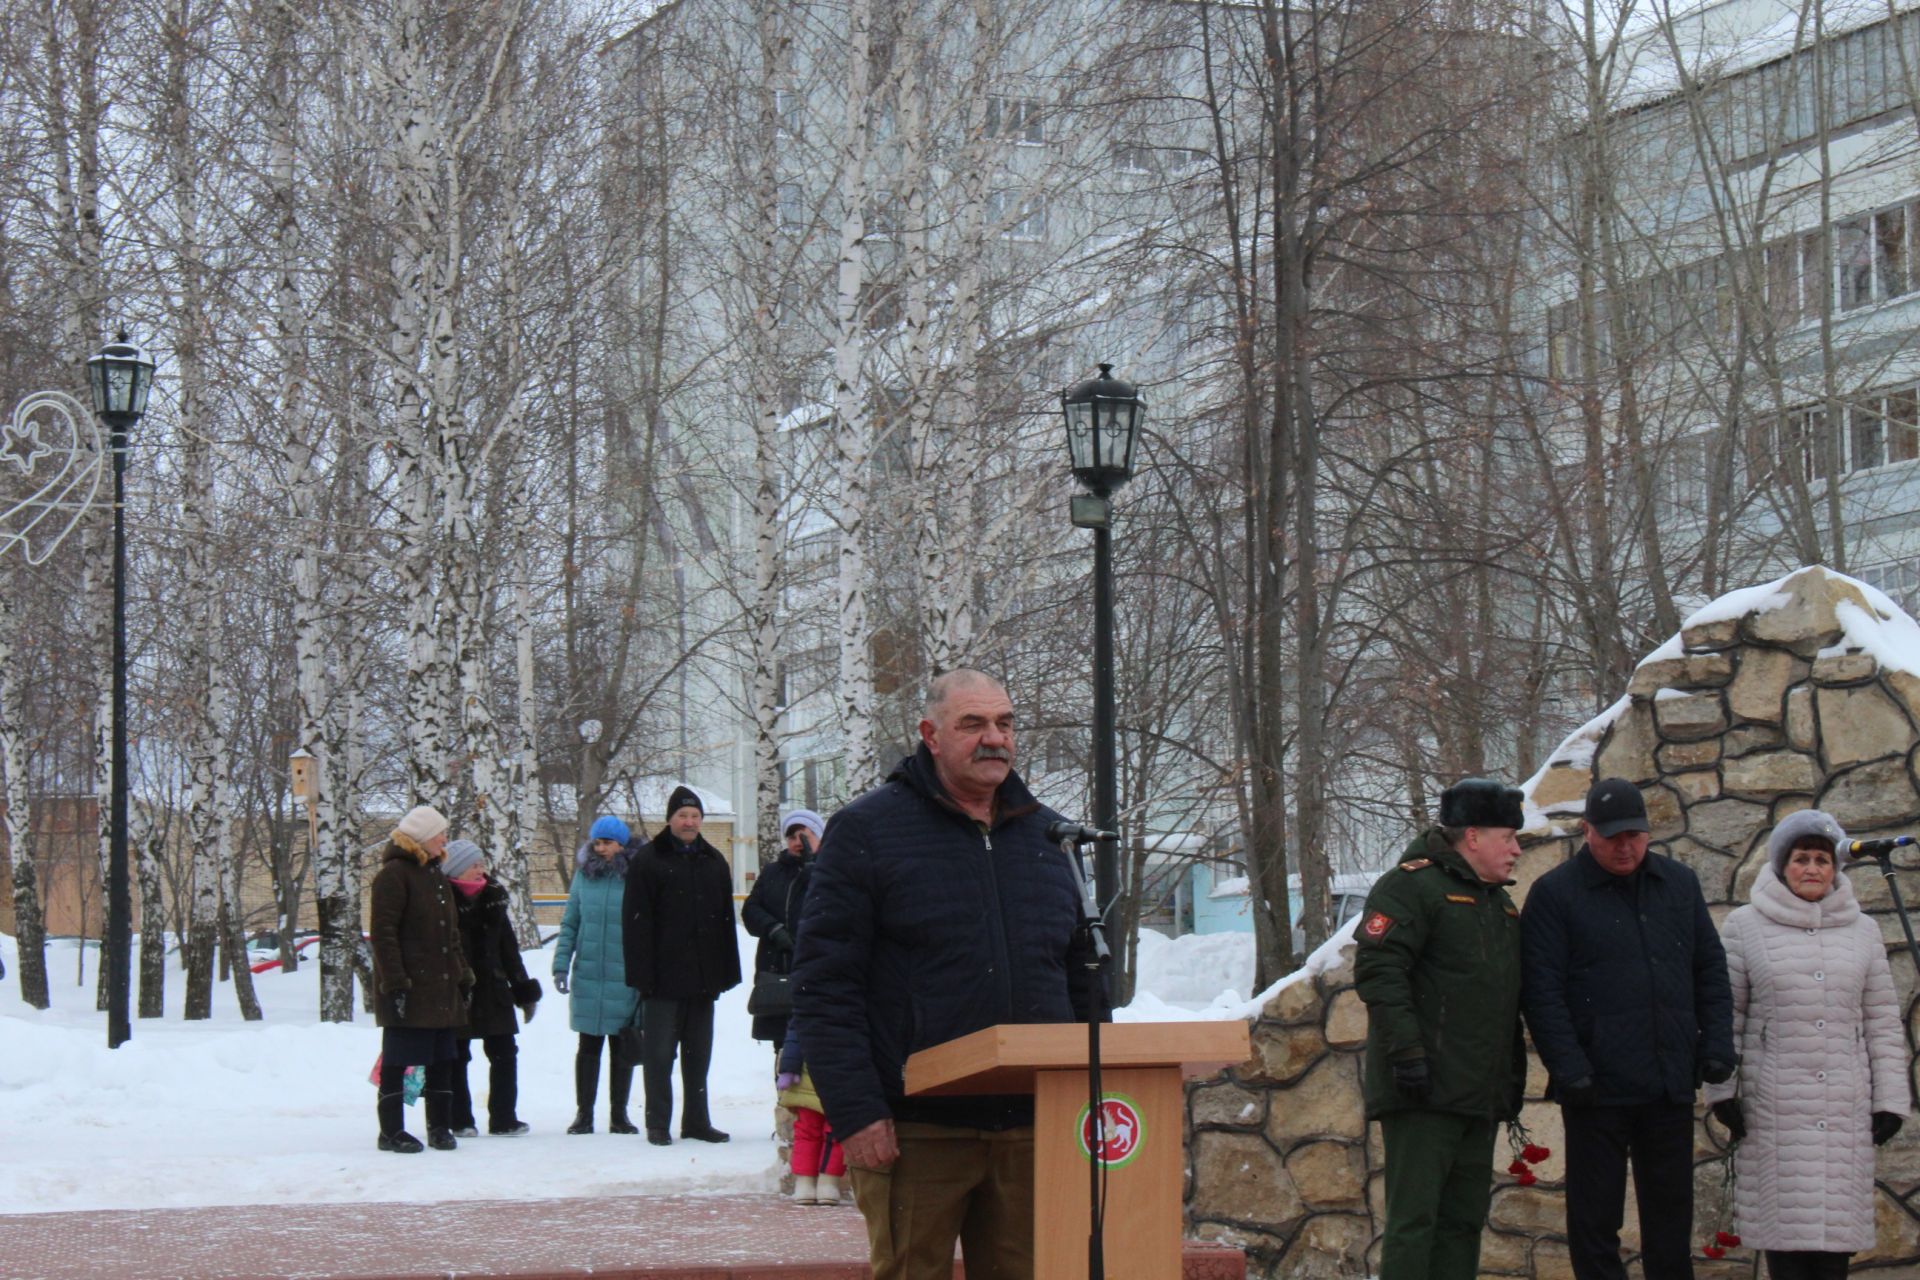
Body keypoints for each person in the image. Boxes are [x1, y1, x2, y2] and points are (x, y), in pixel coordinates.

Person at [791, 668, 1100, 1280]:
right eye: (973, 724)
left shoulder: (1051, 836)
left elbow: (1083, 978)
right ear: (930, 734)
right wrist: (856, 1112)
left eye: (1005, 724)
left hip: (1032, 1128)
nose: (995, 738)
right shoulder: (868, 831)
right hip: (914, 1131)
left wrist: (1090, 1098)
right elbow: (826, 984)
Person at [1521, 777, 1736, 1280]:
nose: (1625, 847)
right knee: (1595, 1225)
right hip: (1595, 1089)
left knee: (1670, 1222)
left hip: (1667, 1082)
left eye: (1635, 835)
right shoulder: (1555, 894)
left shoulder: (1678, 885)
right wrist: (1570, 1067)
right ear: (1586, 830)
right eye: (1613, 836)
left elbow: (1709, 969)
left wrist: (1717, 1043)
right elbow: (1541, 993)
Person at [1704, 810, 1909, 1280]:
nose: (1813, 868)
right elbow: (1726, 1016)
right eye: (1801, 859)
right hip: (1773, 1112)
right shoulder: (1744, 926)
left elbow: (1881, 1022)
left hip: (1843, 1114)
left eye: (1822, 859)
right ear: (1782, 866)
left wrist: (1890, 1102)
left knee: (1833, 1251)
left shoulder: (1864, 931)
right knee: (1787, 1250)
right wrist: (1723, 1091)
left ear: (1836, 868)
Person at [1354, 778, 1528, 1280]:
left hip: (1477, 1093)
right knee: (1415, 1223)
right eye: (1508, 837)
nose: (1516, 849)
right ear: (1472, 836)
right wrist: (1408, 1055)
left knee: (1463, 1224)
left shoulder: (1500, 905)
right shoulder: (1410, 885)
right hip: (1423, 1091)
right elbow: (1379, 972)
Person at [624, 785, 742, 1145]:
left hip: (704, 978)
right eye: (683, 815)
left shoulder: (714, 860)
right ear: (670, 819)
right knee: (659, 1055)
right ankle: (658, 1122)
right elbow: (635, 923)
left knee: (698, 1054)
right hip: (662, 978)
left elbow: (725, 921)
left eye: (694, 816)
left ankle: (696, 1121)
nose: (689, 822)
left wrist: (726, 972)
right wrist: (642, 977)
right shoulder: (648, 860)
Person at [369, 804, 473, 1153]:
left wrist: (463, 975)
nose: (445, 839)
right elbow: (384, 934)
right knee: (398, 1060)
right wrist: (395, 983)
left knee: (444, 1058)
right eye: (440, 833)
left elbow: (451, 934)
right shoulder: (394, 875)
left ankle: (439, 1126)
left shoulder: (435, 875)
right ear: (423, 837)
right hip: (409, 987)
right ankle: (391, 1131)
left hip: (441, 987)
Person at [442, 838, 542, 1137]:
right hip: (461, 991)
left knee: (504, 1053)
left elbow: (509, 949)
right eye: (474, 865)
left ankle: (503, 1117)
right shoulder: (443, 902)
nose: (480, 870)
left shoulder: (493, 898)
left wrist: (522, 988)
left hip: (494, 989)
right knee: (457, 1056)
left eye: (482, 864)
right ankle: (459, 1119)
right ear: (457, 869)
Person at [554, 815, 642, 1135]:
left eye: (607, 841)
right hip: (589, 972)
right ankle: (584, 1114)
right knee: (588, 1047)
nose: (601, 847)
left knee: (622, 1047)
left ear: (622, 844)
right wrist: (561, 963)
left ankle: (619, 1114)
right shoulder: (583, 877)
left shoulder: (634, 877)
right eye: (597, 841)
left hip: (623, 975)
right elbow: (570, 923)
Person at [742, 807, 825, 1052]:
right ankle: (783, 1089)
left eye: (804, 836)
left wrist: (814, 874)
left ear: (819, 837)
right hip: (778, 975)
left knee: (820, 1046)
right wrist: (774, 928)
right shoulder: (773, 872)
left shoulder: (832, 870)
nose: (797, 842)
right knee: (783, 1050)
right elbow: (751, 910)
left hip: (818, 972)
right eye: (791, 837)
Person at [776, 1020, 846, 1206]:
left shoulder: (809, 999)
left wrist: (788, 1067)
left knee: (809, 1132)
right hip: (835, 1075)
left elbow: (794, 1035)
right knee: (834, 1132)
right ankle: (823, 1182)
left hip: (811, 1074)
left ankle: (810, 1183)